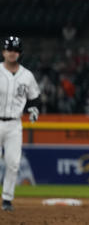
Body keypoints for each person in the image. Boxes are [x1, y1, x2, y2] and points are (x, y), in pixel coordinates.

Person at [0, 36, 41, 212]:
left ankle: (7, 199)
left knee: (13, 163)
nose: (12, 53)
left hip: (15, 124)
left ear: (19, 53)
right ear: (3, 52)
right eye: (9, 49)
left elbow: (35, 98)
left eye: (15, 50)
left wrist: (34, 110)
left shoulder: (27, 76)